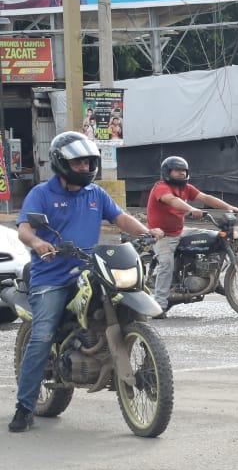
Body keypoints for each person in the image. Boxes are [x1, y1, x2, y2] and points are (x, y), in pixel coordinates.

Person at [11, 133, 161, 433]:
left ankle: (141, 369)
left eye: (88, 162)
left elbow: (120, 219)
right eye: (78, 162)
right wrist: (38, 243)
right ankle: (24, 407)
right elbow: (25, 229)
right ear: (62, 163)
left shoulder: (96, 194)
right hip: (50, 276)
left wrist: (146, 232)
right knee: (42, 335)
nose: (84, 166)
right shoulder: (42, 193)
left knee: (128, 303)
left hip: (89, 269)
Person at [147, 156, 238, 313]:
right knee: (166, 264)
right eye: (177, 170)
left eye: (184, 170)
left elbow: (205, 198)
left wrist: (229, 206)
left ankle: (213, 280)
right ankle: (159, 305)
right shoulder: (161, 187)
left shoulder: (186, 188)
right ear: (168, 172)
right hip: (162, 235)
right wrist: (190, 209)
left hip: (180, 231)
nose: (182, 173)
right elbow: (172, 200)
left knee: (218, 238)